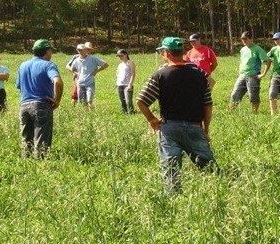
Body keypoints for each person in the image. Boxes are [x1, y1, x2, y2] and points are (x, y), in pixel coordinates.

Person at [136, 37, 216, 194]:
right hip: (195, 127)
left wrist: (152, 120)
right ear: (182, 52)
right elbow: (208, 104)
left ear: (166, 53)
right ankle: (215, 193)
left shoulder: (160, 74)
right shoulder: (200, 74)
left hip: (169, 128)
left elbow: (141, 101)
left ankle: (173, 198)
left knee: (171, 170)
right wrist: (205, 130)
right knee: (209, 168)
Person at [15, 39, 64, 158]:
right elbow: (58, 82)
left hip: (24, 106)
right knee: (41, 141)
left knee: (26, 140)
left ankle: (26, 163)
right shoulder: (48, 65)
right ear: (47, 51)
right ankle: (41, 164)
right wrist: (57, 100)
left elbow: (18, 85)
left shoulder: (23, 65)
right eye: (50, 51)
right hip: (41, 105)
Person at [229, 31, 269, 113]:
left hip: (253, 76)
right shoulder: (242, 49)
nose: (243, 40)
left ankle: (254, 113)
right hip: (242, 75)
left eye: (245, 39)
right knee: (235, 94)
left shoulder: (257, 49)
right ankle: (230, 112)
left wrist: (263, 74)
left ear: (251, 38)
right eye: (242, 39)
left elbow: (267, 61)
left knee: (253, 96)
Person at [115, 49, 136, 114]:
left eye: (121, 55)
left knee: (128, 101)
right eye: (119, 56)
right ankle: (124, 112)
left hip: (127, 84)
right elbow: (117, 74)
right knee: (122, 100)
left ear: (126, 54)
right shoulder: (120, 65)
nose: (120, 57)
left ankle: (131, 113)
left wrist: (130, 84)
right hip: (120, 84)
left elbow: (133, 74)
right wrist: (117, 83)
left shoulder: (130, 63)